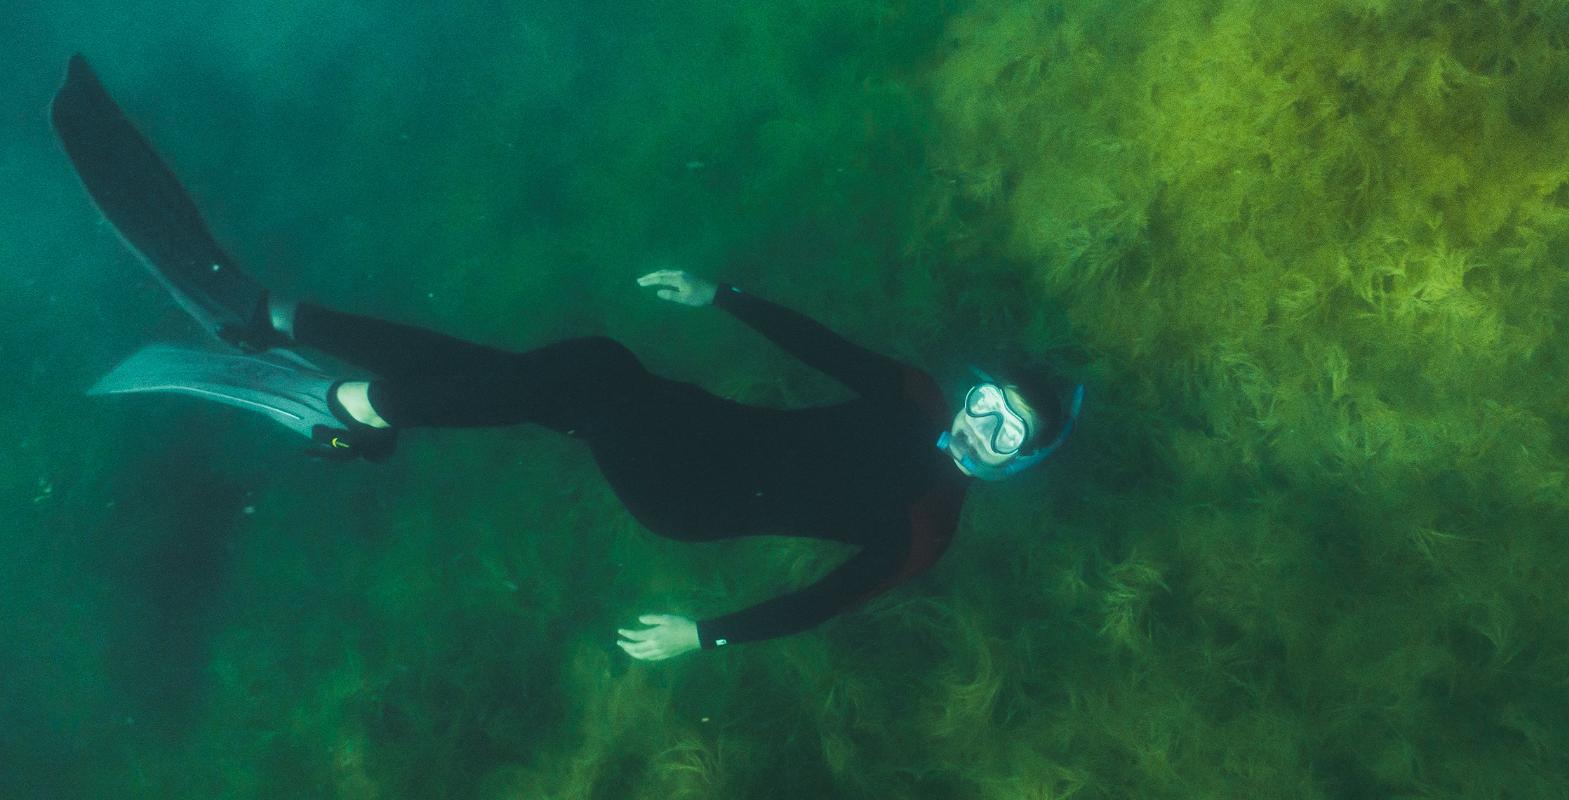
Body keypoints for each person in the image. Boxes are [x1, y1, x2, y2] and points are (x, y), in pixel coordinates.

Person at [52, 54, 1085, 662]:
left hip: (690, 491)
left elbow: (829, 597)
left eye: (1005, 433)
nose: (980, 423)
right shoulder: (913, 391)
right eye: (990, 399)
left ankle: (354, 406)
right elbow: (823, 346)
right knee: (520, 374)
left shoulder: (923, 529)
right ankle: (281, 321)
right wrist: (720, 293)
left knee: (581, 370)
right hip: (697, 417)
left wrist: (706, 634)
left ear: (1017, 462)